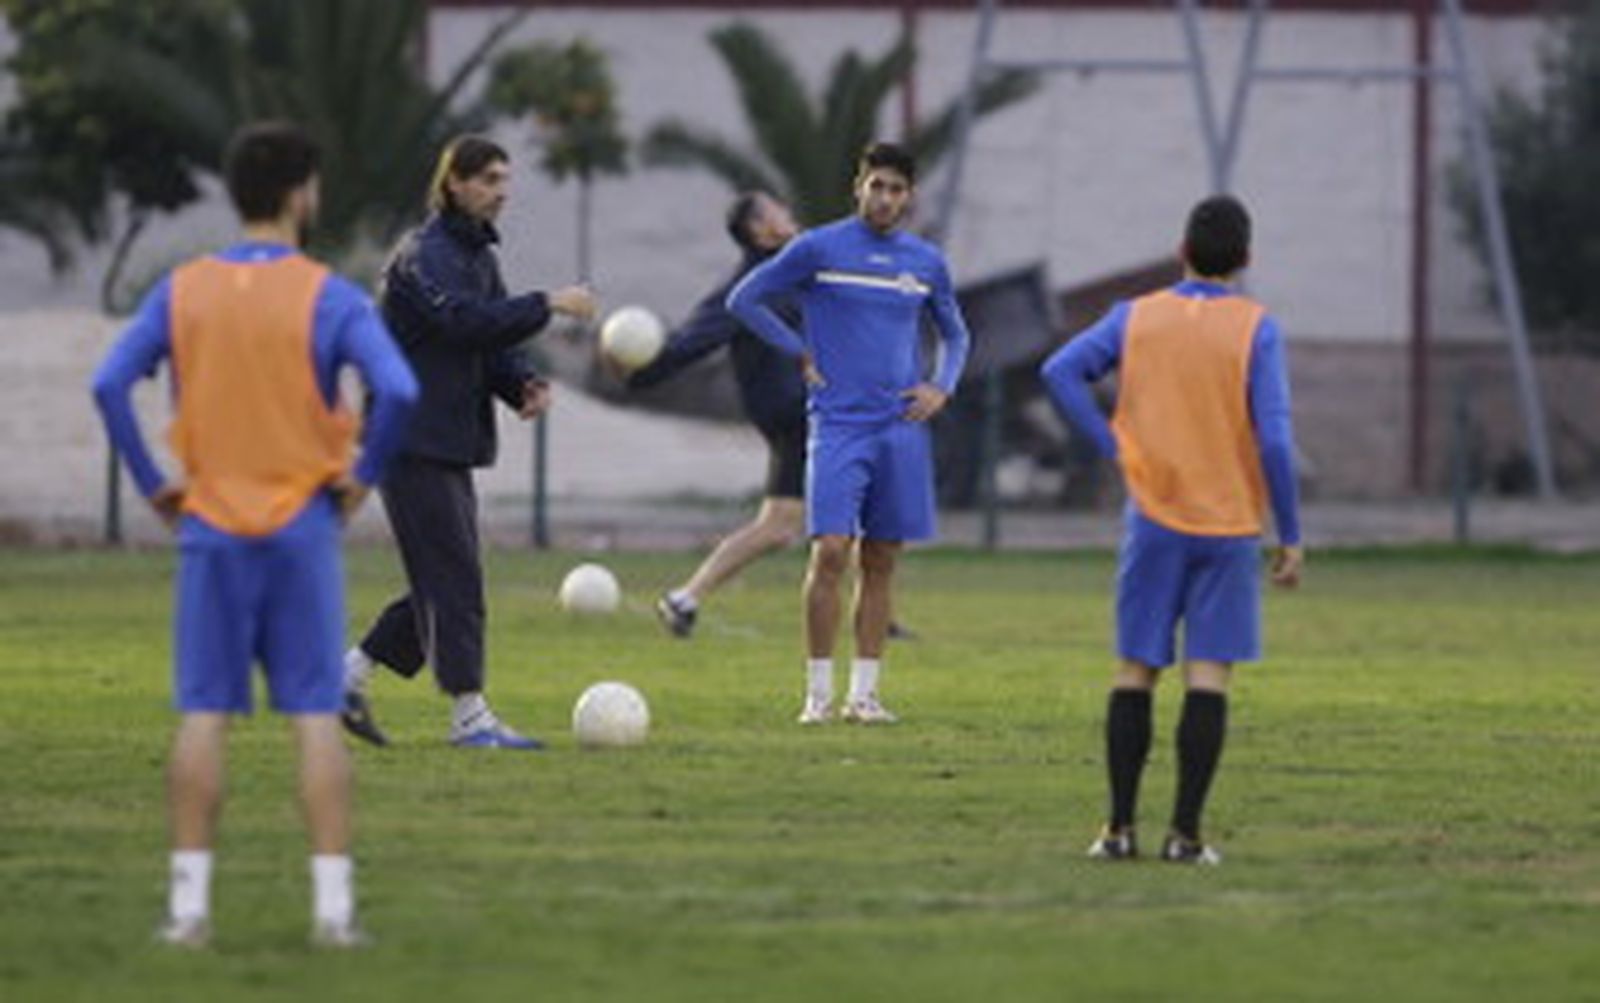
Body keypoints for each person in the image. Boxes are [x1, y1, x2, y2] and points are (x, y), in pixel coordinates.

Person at [91, 121, 419, 947]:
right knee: (312, 714)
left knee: (204, 712)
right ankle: (334, 914)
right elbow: (399, 389)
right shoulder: (330, 294)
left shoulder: (181, 289)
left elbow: (108, 384)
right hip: (302, 526)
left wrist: (155, 485)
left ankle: (190, 909)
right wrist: (361, 478)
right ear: (304, 191)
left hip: (210, 526)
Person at [1039, 194, 1304, 865]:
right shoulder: (1256, 328)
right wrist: (1290, 531)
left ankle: (1118, 829)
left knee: (1136, 669)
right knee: (1208, 674)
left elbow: (1059, 370)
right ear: (1245, 260)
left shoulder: (1136, 317)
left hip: (1153, 516)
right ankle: (1185, 836)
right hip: (1229, 524)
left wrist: (1111, 445)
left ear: (1181, 251)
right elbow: (1274, 438)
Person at [340, 135, 598, 751]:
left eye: (505, 179)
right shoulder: (421, 255)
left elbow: (487, 341)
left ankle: (343, 676)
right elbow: (456, 321)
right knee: (452, 578)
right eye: (487, 179)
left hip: (446, 438)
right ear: (453, 183)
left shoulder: (475, 253)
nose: (501, 191)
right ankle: (469, 718)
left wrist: (520, 384)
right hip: (409, 437)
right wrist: (549, 303)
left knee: (444, 576)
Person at [728, 142, 971, 725]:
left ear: (908, 197)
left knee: (881, 556)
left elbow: (956, 335)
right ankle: (817, 695)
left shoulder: (926, 262)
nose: (884, 198)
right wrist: (798, 349)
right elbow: (745, 300)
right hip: (838, 425)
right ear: (857, 187)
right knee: (831, 549)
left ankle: (864, 696)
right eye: (876, 185)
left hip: (901, 429)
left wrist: (941, 386)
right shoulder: (817, 248)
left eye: (896, 189)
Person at [622, 191, 805, 636]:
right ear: (759, 229)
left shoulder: (794, 270)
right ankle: (878, 618)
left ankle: (684, 598)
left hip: (803, 411)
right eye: (776, 209)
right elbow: (691, 342)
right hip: (798, 413)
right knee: (839, 511)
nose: (788, 210)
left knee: (783, 526)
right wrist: (637, 372)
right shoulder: (747, 287)